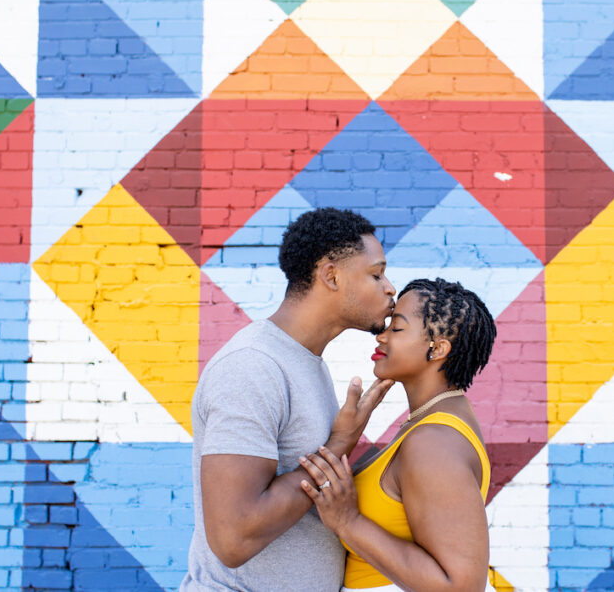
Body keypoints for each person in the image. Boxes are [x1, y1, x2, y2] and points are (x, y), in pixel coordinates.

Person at [180, 208, 398, 591]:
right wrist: (338, 446)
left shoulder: (307, 364)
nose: (389, 287)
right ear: (331, 275)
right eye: (376, 274)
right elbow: (234, 538)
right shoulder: (253, 367)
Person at [298, 278, 498, 592]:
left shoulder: (433, 441)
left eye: (397, 328)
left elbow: (462, 586)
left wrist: (348, 522)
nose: (381, 335)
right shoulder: (434, 421)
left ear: (438, 348)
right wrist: (346, 438)